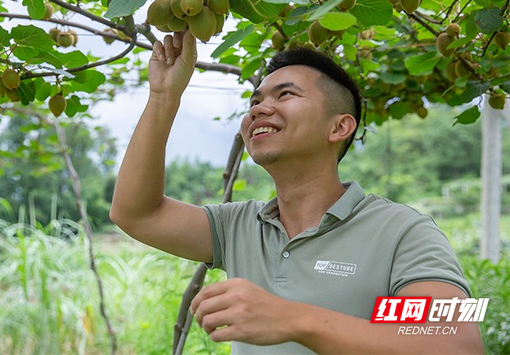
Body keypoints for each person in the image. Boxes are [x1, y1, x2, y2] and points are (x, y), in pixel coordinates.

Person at [109, 31, 484, 354]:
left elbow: (455, 344)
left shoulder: (401, 232)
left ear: (339, 127)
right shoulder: (238, 227)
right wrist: (163, 95)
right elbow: (137, 214)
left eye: (285, 95)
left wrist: (292, 318)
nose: (259, 109)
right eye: (254, 102)